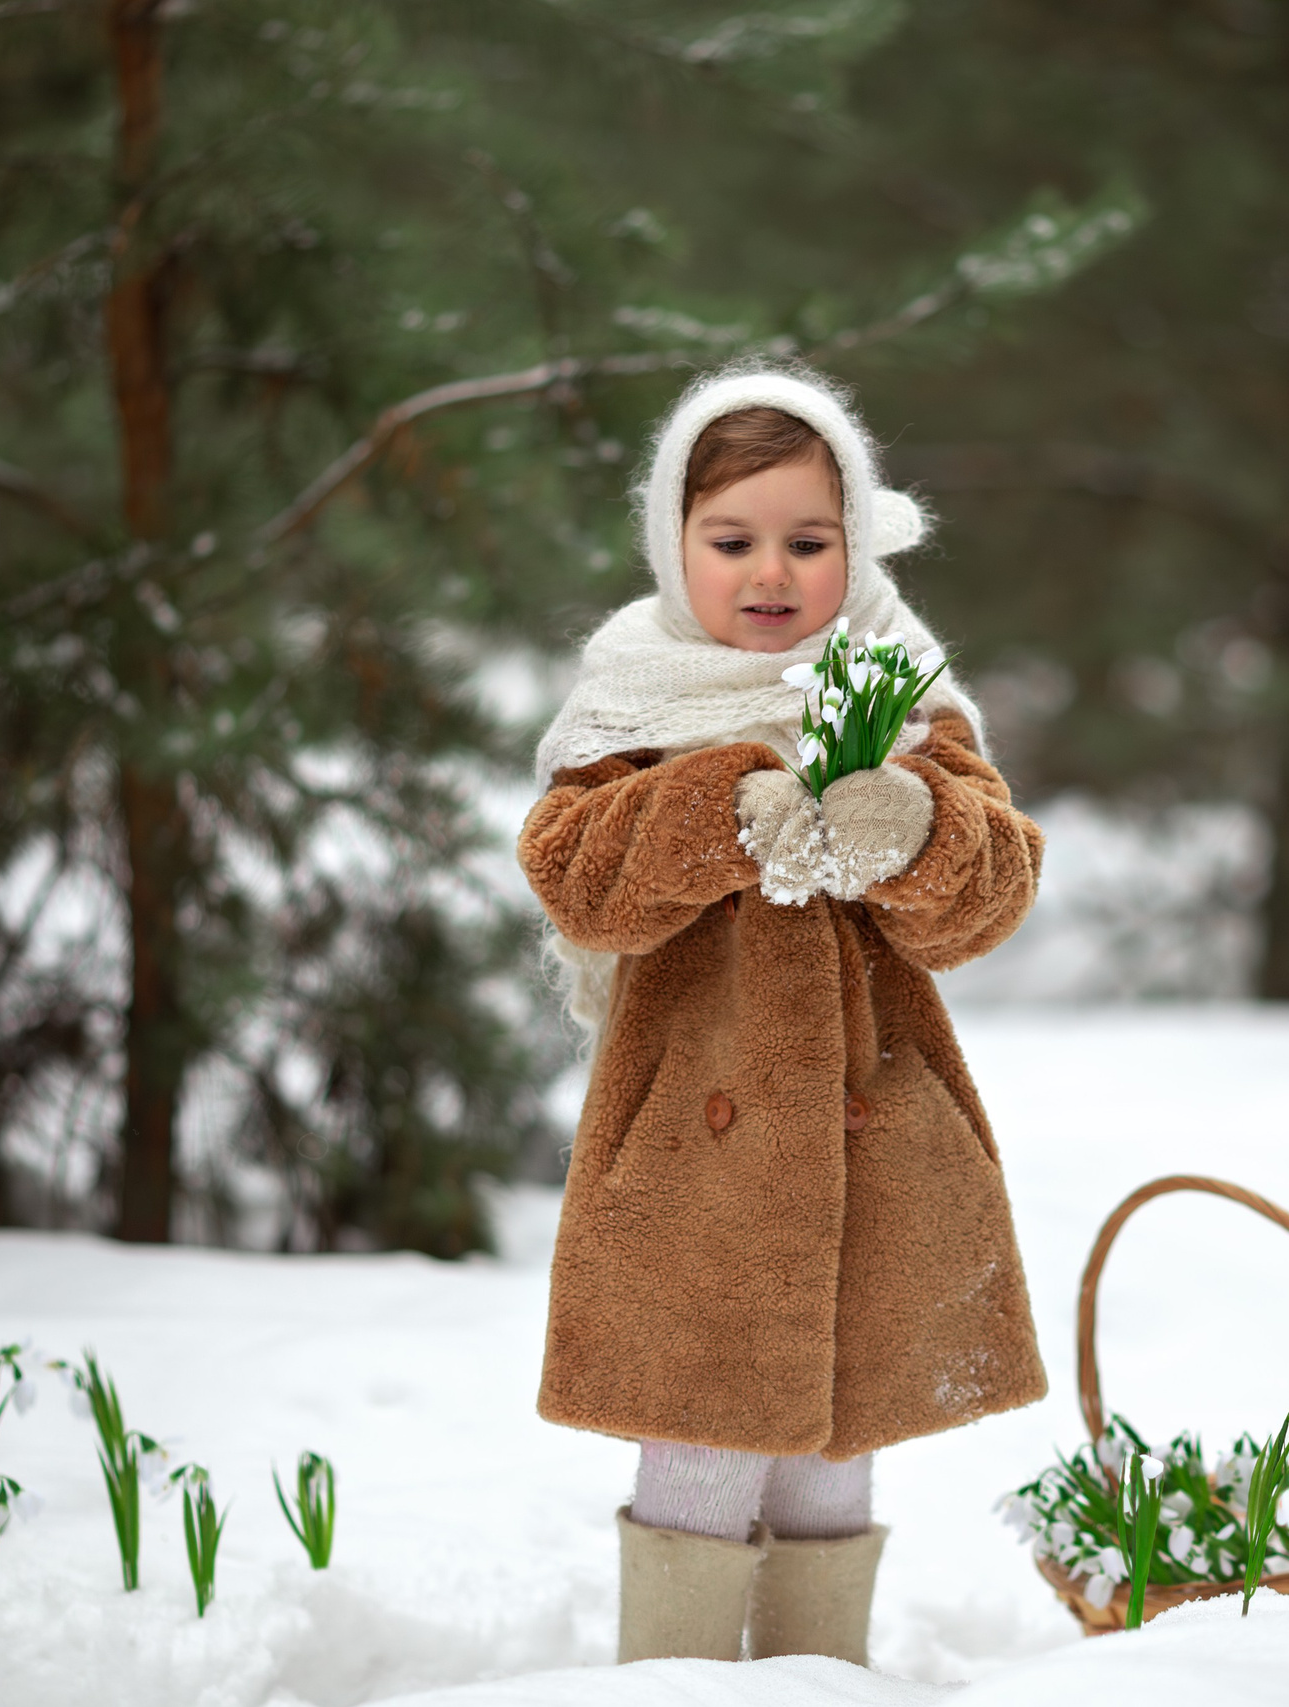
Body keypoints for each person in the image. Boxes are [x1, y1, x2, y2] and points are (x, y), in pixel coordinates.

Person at [520, 364, 1047, 1667]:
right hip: (696, 1154)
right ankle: (675, 1682)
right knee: (703, 1418)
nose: (772, 572)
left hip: (872, 1141)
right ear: (673, 544)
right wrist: (721, 804)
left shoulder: (901, 700)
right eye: (732, 540)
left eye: (809, 541)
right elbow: (577, 874)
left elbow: (988, 893)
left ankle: (824, 1679)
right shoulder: (637, 702)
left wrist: (909, 824)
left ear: (855, 544)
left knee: (834, 1428)